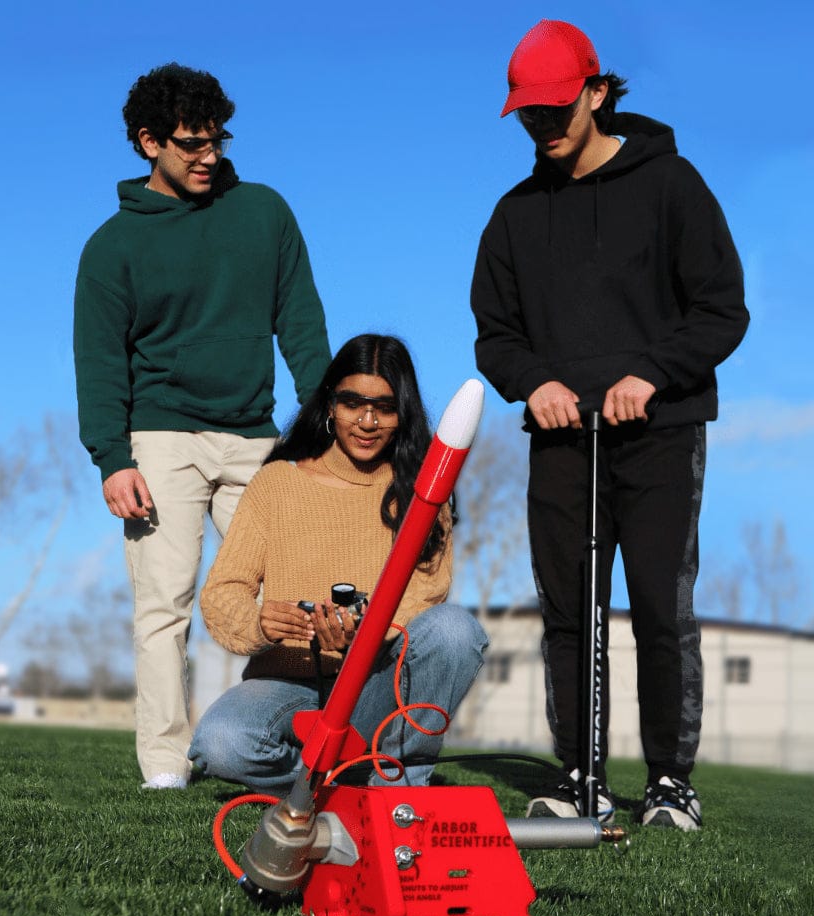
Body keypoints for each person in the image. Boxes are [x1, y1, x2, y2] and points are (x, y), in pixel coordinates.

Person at [471, 20, 749, 830]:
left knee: (662, 607)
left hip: (659, 432)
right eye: (530, 114)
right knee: (569, 614)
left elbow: (721, 310)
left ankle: (669, 782)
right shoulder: (515, 216)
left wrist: (653, 374)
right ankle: (580, 776)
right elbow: (496, 333)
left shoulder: (673, 186)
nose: (545, 126)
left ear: (597, 93)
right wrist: (534, 384)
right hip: (561, 438)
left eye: (558, 108)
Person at [73, 63, 332, 792]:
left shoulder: (264, 212)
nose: (207, 155)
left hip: (255, 436)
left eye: (215, 139)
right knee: (165, 606)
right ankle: (163, 763)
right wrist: (111, 459)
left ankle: (293, 745)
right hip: (160, 442)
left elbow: (303, 326)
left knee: (296, 592)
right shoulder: (111, 248)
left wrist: (326, 427)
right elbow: (98, 364)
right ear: (147, 142)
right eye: (189, 143)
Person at [188, 334, 487, 791]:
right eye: (352, 403)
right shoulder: (277, 483)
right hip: (286, 685)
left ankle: (398, 781)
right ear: (330, 405)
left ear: (402, 413)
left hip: (375, 688)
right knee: (221, 744)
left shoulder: (423, 493)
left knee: (455, 630)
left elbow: (424, 601)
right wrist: (261, 623)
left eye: (384, 408)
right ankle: (351, 777)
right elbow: (223, 593)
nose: (367, 421)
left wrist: (360, 634)